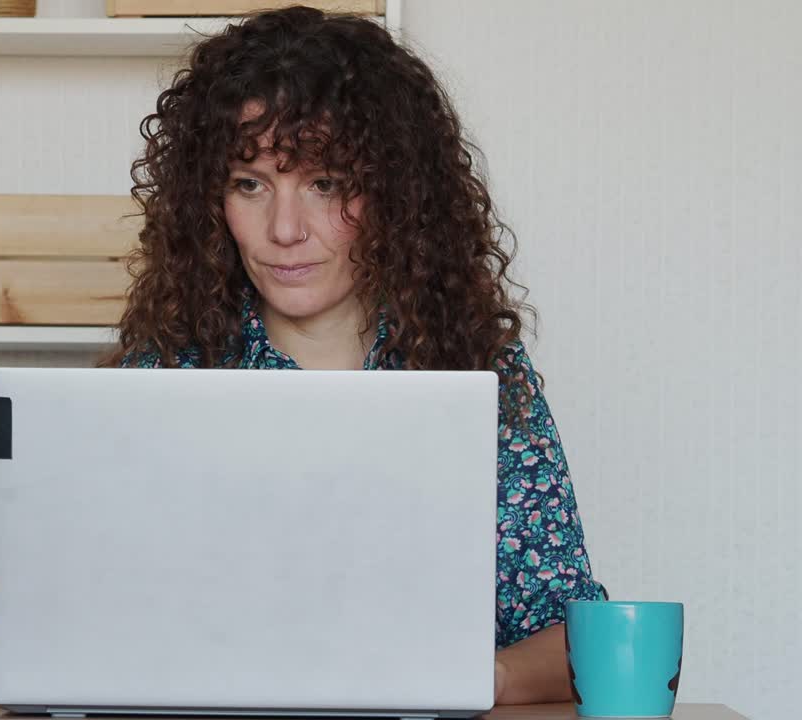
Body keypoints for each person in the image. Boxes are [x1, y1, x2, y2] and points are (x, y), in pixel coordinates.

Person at [104, 5, 606, 707]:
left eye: (326, 184)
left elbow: (572, 637)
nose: (283, 230)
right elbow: (97, 617)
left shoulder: (477, 372)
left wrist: (469, 678)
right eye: (249, 184)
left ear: (396, 195)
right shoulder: (165, 373)